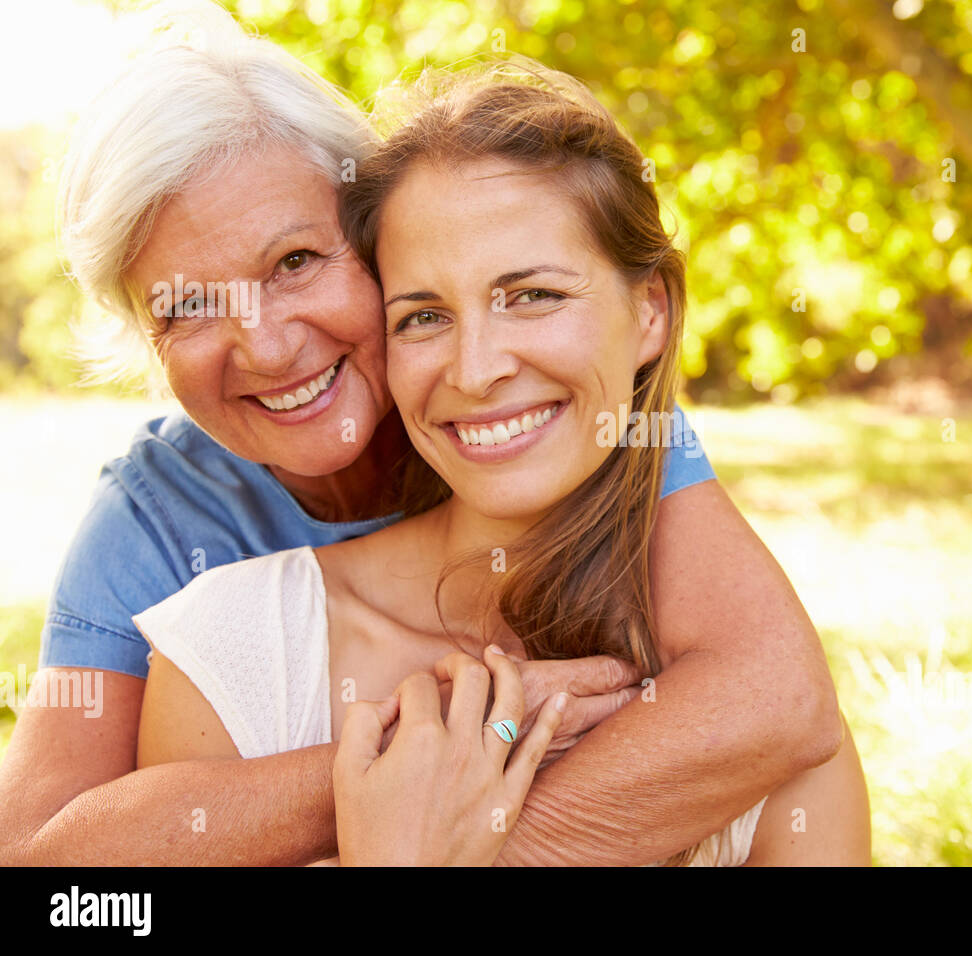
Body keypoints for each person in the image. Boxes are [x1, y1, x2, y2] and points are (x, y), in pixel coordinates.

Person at [0, 5, 848, 866]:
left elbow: (776, 692)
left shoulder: (576, 423)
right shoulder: (157, 527)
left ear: (380, 246)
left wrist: (478, 830)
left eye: (295, 262)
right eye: (188, 306)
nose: (263, 345)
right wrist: (417, 759)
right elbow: (40, 863)